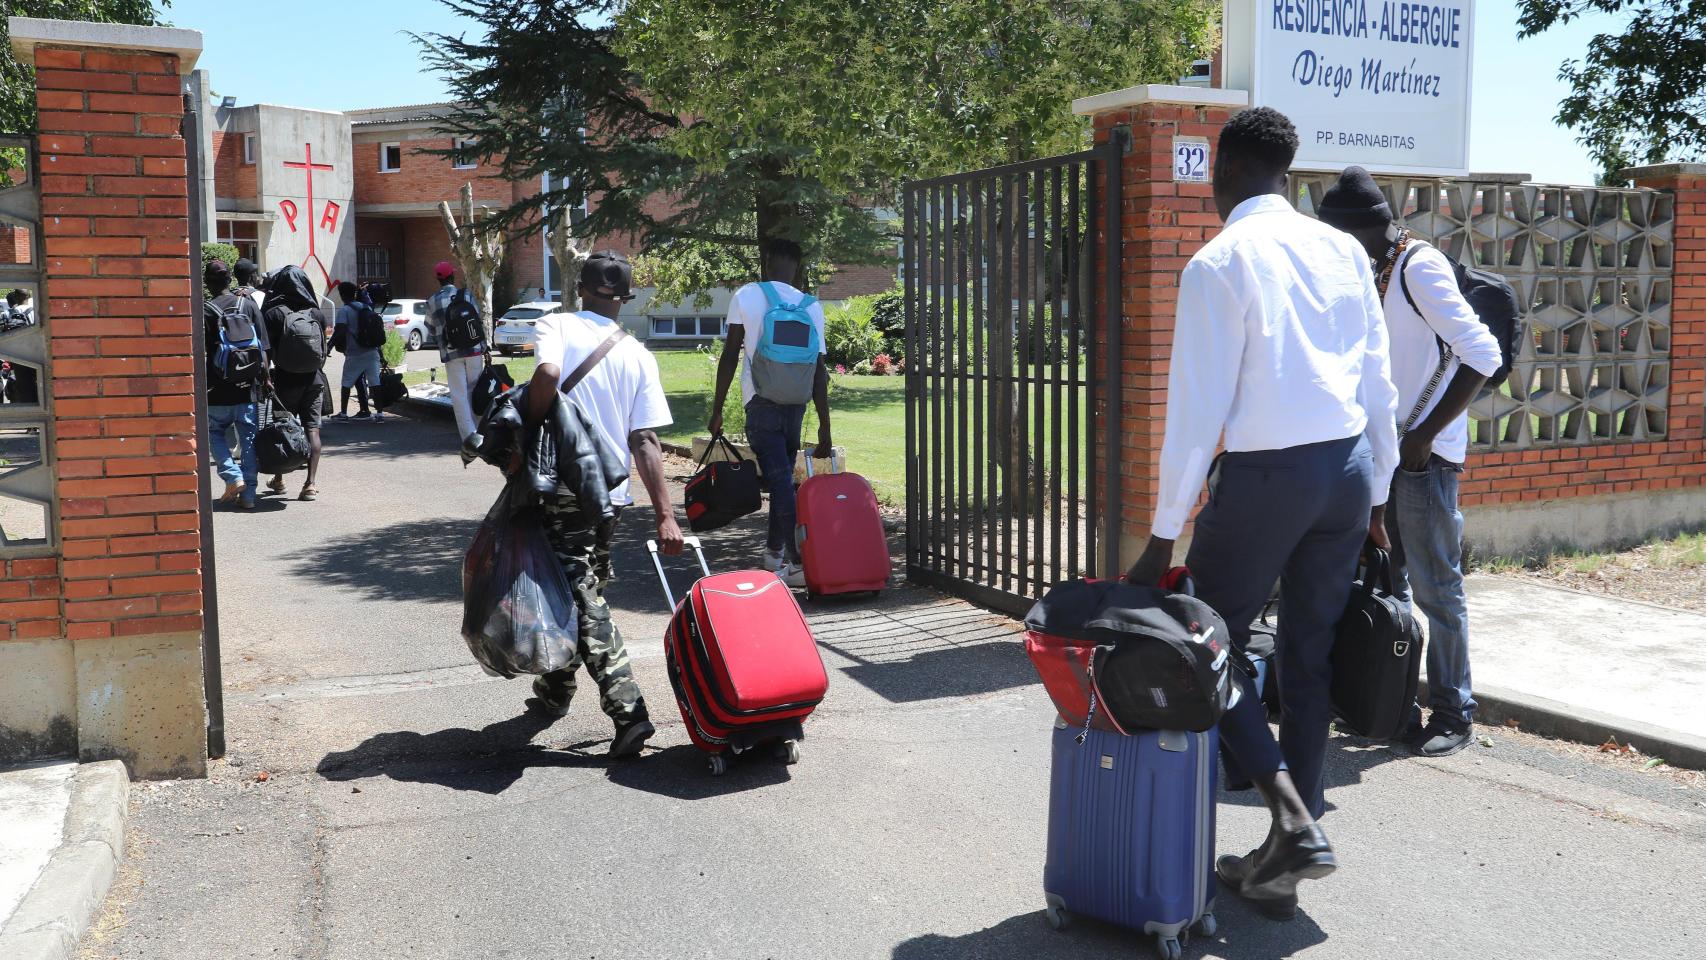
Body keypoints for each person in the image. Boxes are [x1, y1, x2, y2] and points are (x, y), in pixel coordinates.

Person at [1122, 107, 1400, 920]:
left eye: (1212, 175)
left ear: (1228, 171)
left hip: (1267, 477)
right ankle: (1285, 858)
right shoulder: (1344, 248)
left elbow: (1196, 410)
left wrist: (1163, 532)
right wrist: (1378, 493)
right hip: (1345, 471)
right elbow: (1375, 378)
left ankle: (1288, 819)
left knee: (1209, 645)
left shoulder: (1220, 262)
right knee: (1306, 660)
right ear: (1287, 172)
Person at [1317, 166, 1503, 758]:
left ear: (1360, 231)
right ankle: (1396, 705)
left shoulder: (1416, 266)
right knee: (1387, 585)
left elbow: (1483, 351)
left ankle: (1455, 711)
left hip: (1424, 459)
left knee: (1436, 588)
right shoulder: (1373, 267)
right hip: (1383, 453)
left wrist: (1423, 438)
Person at [516, 250, 682, 759]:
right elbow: (646, 440)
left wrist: (528, 424)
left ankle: (629, 711)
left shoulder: (557, 324)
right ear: (626, 300)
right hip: (609, 500)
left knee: (585, 601)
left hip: (562, 490)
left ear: (580, 288)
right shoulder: (638, 354)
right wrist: (664, 513)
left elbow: (545, 375)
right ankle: (556, 690)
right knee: (578, 589)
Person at [707, 238, 832, 588]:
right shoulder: (812, 306)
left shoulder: (747, 295)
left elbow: (731, 354)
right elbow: (819, 369)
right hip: (796, 403)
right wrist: (825, 425)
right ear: (797, 268)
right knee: (782, 482)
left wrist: (717, 409)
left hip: (759, 401)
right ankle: (778, 556)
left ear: (767, 262)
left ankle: (786, 559)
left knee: (780, 482)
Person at [261, 265, 330, 501]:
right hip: (314, 380)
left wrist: (266, 377)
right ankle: (310, 484)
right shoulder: (316, 313)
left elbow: (266, 350)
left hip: (284, 380)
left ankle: (279, 480)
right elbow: (323, 347)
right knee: (313, 430)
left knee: (283, 431)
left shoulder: (274, 313)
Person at [203, 259, 267, 510]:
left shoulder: (206, 310)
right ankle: (249, 495)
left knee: (215, 433)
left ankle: (233, 476)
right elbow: (264, 346)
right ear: (230, 280)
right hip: (248, 386)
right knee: (249, 438)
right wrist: (266, 380)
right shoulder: (248, 305)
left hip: (217, 387)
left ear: (207, 283)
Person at [425, 260, 486, 440]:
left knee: (459, 394)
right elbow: (477, 318)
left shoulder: (432, 301)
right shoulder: (465, 295)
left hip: (451, 353)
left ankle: (469, 437)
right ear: (453, 275)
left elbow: (429, 327)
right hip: (473, 349)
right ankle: (482, 429)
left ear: (438, 279)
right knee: (475, 390)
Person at [332, 280, 384, 422]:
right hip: (372, 351)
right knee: (375, 382)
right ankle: (379, 414)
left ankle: (343, 413)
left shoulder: (344, 311)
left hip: (355, 353)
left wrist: (329, 345)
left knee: (346, 383)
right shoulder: (366, 307)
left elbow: (340, 331)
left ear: (342, 295)